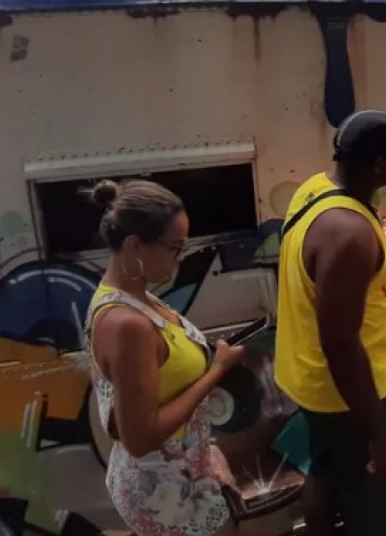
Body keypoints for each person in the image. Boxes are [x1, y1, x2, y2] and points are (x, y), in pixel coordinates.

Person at [274, 110, 386, 536]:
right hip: (349, 396)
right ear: (380, 166)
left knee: (322, 469)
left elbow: (325, 253)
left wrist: (376, 234)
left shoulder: (317, 191)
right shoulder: (350, 234)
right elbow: (339, 341)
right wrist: (379, 433)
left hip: (310, 381)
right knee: (367, 501)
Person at [85, 179, 244, 536]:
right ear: (135, 245)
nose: (181, 257)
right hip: (164, 488)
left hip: (179, 471)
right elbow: (140, 439)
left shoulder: (132, 297)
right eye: (175, 247)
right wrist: (215, 372)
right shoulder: (128, 324)